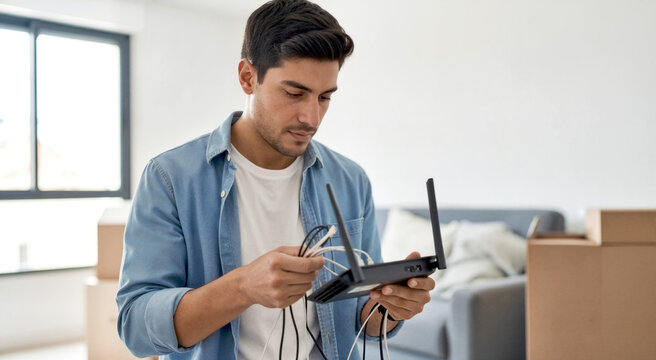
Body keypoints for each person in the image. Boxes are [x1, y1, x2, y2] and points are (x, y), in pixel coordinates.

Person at [116, 0, 434, 359]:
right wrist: (242, 287)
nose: (311, 117)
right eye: (294, 93)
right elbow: (135, 328)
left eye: (325, 97)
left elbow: (360, 318)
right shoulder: (171, 178)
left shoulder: (351, 180)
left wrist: (390, 310)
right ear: (248, 77)